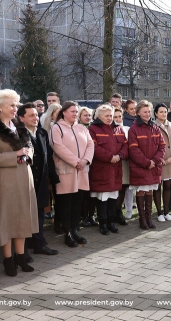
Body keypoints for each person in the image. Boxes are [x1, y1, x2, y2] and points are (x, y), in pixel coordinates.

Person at [0, 89, 38, 277]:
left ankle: (20, 257)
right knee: (7, 219)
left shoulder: (18, 125)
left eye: (16, 104)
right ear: (0, 107)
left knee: (22, 216)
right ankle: (7, 259)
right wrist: (15, 154)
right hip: (5, 179)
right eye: (12, 105)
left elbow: (29, 146)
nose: (16, 108)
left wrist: (28, 153)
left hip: (24, 176)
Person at [49, 101, 95, 247]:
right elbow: (58, 147)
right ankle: (67, 232)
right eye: (72, 111)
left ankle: (75, 230)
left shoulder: (82, 128)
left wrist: (86, 160)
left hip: (81, 171)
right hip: (66, 171)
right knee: (65, 204)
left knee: (77, 203)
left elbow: (90, 145)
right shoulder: (56, 128)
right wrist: (76, 161)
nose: (75, 114)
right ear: (64, 112)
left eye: (76, 111)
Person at [17, 103, 59, 256]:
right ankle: (26, 245)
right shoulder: (18, 134)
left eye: (36, 115)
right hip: (27, 181)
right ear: (21, 118)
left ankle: (39, 243)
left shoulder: (42, 132)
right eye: (31, 115)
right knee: (27, 214)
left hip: (42, 179)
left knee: (40, 212)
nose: (36, 118)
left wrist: (52, 177)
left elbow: (48, 156)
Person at [89, 104, 128, 235]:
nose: (110, 118)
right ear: (99, 116)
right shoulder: (93, 129)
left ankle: (112, 223)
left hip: (116, 169)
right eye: (107, 116)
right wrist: (110, 157)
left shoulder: (119, 129)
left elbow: (125, 145)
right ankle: (103, 224)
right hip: (102, 169)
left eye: (111, 115)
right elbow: (94, 148)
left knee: (113, 198)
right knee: (103, 198)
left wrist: (120, 156)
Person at [128, 100, 165, 229]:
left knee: (149, 191)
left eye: (149, 111)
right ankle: (142, 219)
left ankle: (149, 218)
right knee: (140, 192)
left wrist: (154, 161)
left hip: (153, 167)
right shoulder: (134, 129)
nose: (147, 114)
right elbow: (133, 150)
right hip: (140, 167)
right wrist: (146, 162)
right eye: (144, 111)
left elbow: (162, 146)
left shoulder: (155, 127)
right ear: (138, 113)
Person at [153, 103, 171, 222]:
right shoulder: (152, 126)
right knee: (157, 187)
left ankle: (166, 211)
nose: (163, 114)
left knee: (168, 186)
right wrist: (158, 159)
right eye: (161, 112)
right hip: (157, 161)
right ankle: (159, 213)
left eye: (165, 112)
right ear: (156, 113)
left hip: (170, 161)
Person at [118, 101, 136, 221]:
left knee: (128, 187)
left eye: (119, 116)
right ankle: (116, 211)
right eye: (115, 116)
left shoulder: (127, 128)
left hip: (126, 161)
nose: (118, 119)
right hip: (114, 161)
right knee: (118, 189)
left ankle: (129, 209)